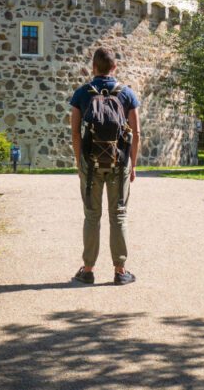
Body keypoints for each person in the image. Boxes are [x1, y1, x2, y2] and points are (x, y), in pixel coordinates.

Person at [69, 47, 141, 286]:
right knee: (118, 214)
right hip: (119, 161)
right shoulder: (127, 94)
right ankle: (120, 270)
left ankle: (88, 269)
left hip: (90, 163)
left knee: (92, 215)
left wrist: (80, 162)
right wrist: (132, 164)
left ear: (93, 68)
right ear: (114, 67)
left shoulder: (81, 94)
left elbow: (76, 134)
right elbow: (137, 132)